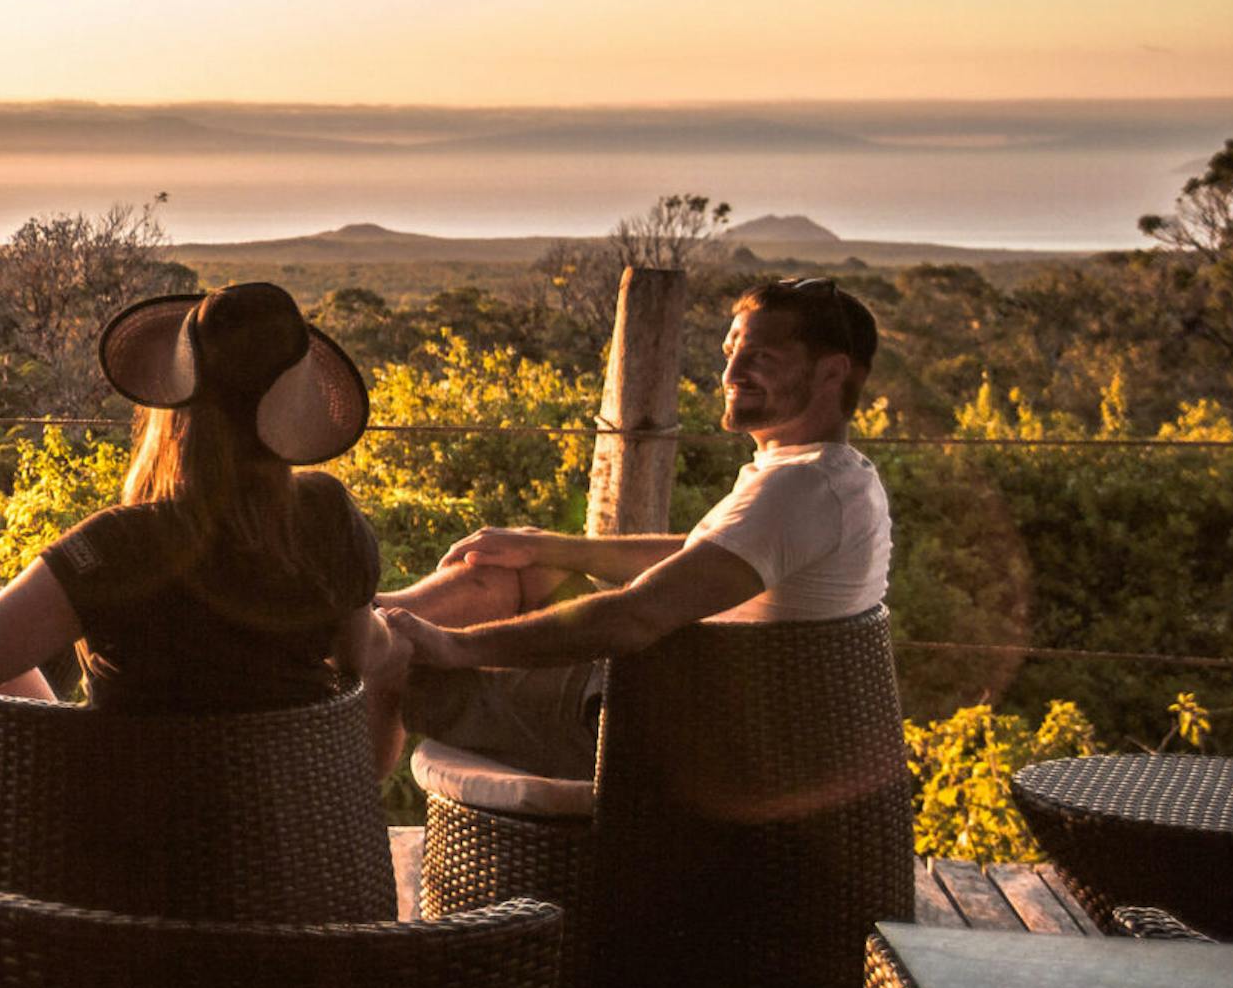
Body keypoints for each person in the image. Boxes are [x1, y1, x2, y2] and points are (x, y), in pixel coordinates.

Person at [0, 281, 402, 988]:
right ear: (289, 411)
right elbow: (364, 662)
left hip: (116, 875)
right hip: (281, 862)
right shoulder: (327, 517)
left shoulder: (122, 546)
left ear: (178, 406)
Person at [379, 276, 891, 781]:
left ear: (831, 373)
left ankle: (338, 819)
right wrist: (549, 546)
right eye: (731, 351)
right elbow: (702, 555)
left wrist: (454, 647)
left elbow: (636, 617)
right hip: (673, 703)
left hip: (648, 738)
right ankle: (373, 612)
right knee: (519, 571)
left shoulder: (801, 490)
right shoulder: (828, 475)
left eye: (762, 358)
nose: (730, 373)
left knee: (394, 667)